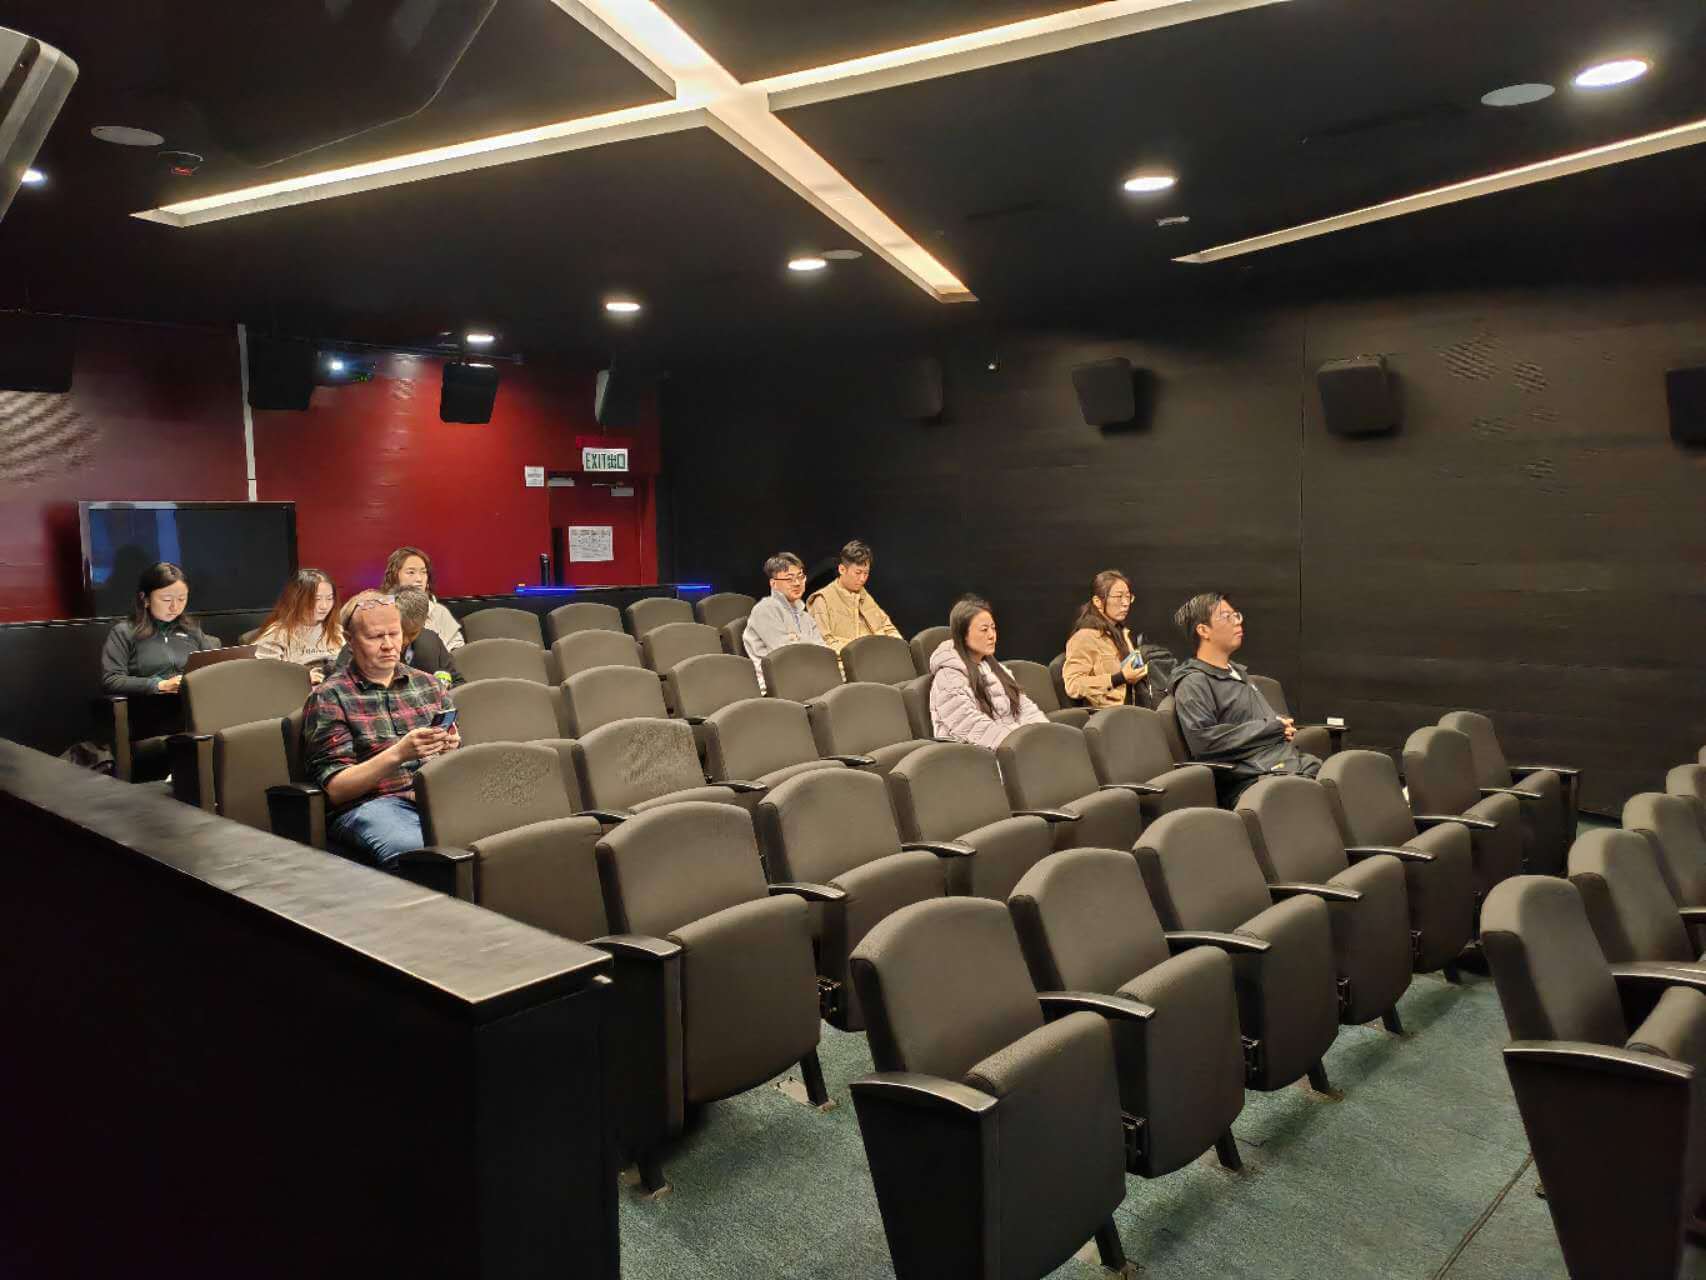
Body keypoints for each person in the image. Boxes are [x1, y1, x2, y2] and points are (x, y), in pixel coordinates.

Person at [302, 594, 458, 866]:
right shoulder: (330, 696)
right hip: (371, 804)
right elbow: (337, 789)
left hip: (433, 795)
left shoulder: (429, 685)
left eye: (394, 634)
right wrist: (399, 753)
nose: (388, 645)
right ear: (350, 640)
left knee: (497, 827)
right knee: (418, 851)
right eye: (375, 637)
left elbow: (453, 756)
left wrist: (450, 748)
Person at [1168, 591, 1319, 802]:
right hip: (1251, 779)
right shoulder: (1194, 682)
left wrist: (1279, 727)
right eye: (1226, 617)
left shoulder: (1238, 673)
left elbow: (1259, 724)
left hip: (1282, 763)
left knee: (1337, 778)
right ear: (1203, 630)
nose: (1237, 622)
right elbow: (1204, 741)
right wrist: (1272, 728)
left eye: (1236, 615)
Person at [928, 595, 1046, 749]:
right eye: (984, 630)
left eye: (993, 628)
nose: (992, 635)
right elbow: (970, 726)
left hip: (1012, 748)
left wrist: (1043, 736)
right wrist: (1020, 744)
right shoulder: (948, 677)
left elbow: (1024, 708)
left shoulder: (997, 669)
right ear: (963, 635)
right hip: (974, 755)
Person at [99, 562, 221, 695]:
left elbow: (214, 669)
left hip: (195, 699)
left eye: (181, 599)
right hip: (151, 702)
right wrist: (159, 685)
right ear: (145, 599)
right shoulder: (124, 632)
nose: (175, 607)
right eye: (166, 600)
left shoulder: (191, 630)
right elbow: (112, 680)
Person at [1061, 570, 1149, 710]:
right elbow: (1073, 684)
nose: (1125, 603)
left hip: (1131, 709)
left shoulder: (1122, 633)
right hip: (1106, 714)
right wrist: (1119, 678)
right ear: (1098, 601)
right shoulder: (1085, 636)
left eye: (1128, 597)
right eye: (1118, 597)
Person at [743, 551, 827, 691]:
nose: (797, 583)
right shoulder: (765, 609)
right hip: (776, 684)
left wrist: (797, 639)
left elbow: (823, 651)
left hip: (808, 677)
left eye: (800, 577)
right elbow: (786, 655)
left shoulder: (805, 615)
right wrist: (806, 642)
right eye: (789, 579)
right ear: (773, 584)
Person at [806, 539, 902, 654]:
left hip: (879, 657)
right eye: (858, 573)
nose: (862, 579)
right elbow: (824, 643)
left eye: (866, 573)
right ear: (842, 569)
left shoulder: (864, 595)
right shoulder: (822, 600)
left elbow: (888, 628)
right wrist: (862, 652)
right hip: (849, 661)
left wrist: (899, 647)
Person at [253, 569, 342, 684]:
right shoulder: (277, 634)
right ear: (297, 599)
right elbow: (264, 674)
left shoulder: (336, 630)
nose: (324, 606)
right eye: (316, 599)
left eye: (329, 598)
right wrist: (301, 677)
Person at [382, 546, 464, 650]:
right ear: (394, 576)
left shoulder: (439, 612)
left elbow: (458, 648)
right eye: (411, 572)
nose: (419, 579)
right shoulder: (381, 611)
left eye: (423, 572)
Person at [394, 587, 461, 686]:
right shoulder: (375, 646)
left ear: (424, 623)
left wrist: (444, 687)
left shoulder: (431, 640)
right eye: (400, 632)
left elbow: (458, 682)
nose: (404, 641)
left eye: (412, 634)